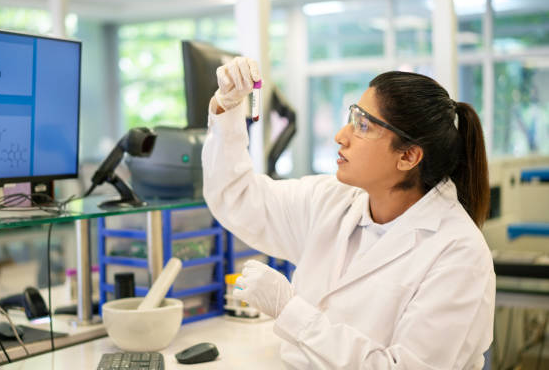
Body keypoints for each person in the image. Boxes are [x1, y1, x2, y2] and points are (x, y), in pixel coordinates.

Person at [202, 57, 495, 369]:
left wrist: (290, 311)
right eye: (352, 117)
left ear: (408, 156)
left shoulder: (458, 253)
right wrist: (227, 107)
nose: (341, 135)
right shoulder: (331, 200)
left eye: (363, 125)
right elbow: (236, 197)